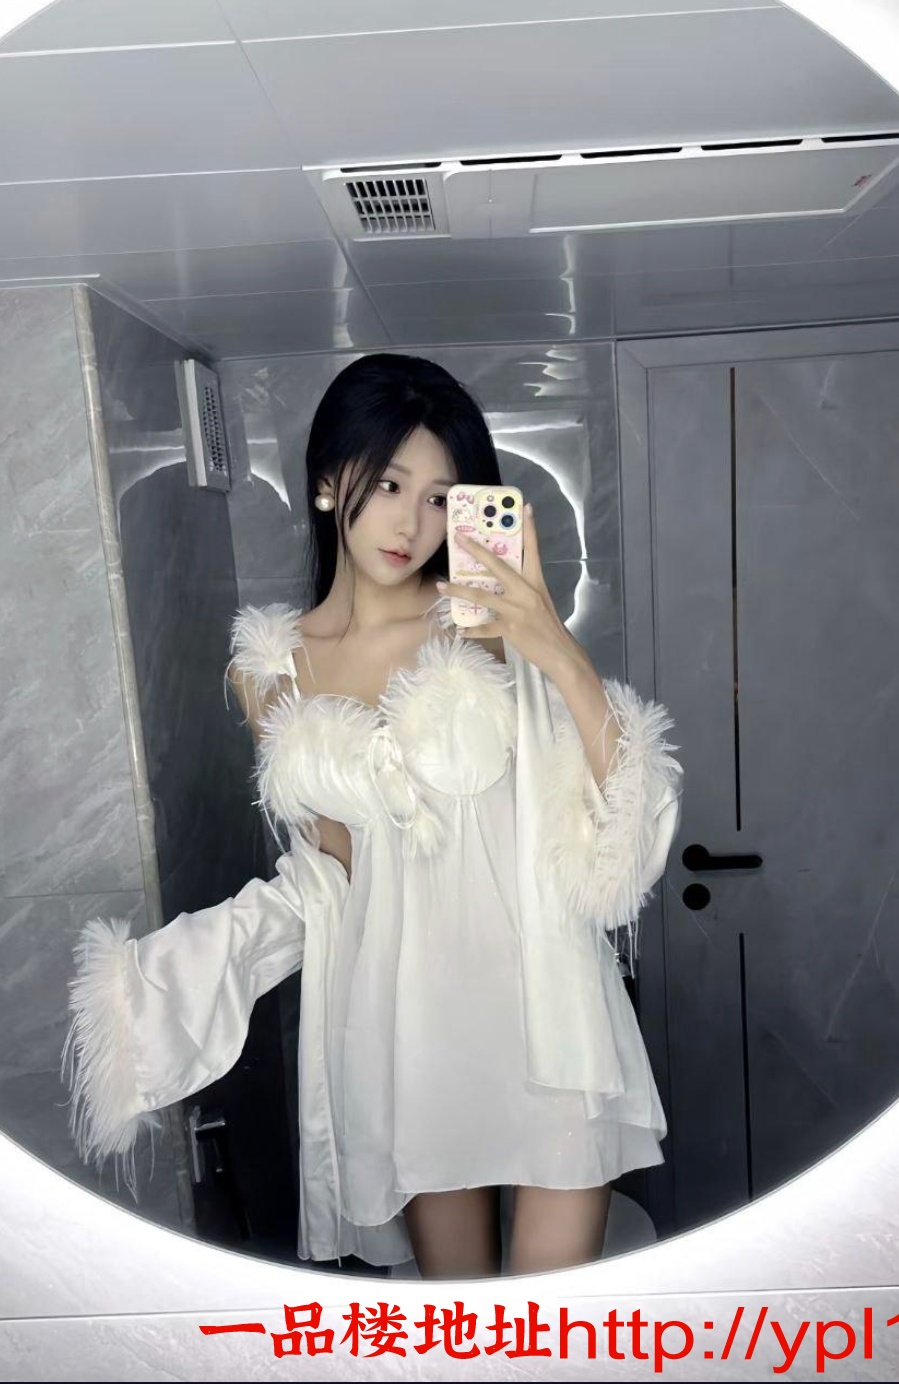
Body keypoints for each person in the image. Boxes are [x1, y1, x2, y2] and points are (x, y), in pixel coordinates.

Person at [62, 353, 684, 1280]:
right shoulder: (269, 672)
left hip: (546, 1014)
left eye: (439, 498)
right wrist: (173, 982)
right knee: (456, 1328)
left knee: (552, 1331)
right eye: (389, 485)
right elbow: (331, 878)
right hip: (410, 1033)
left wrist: (550, 642)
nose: (410, 523)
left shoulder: (487, 627)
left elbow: (622, 824)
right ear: (328, 481)